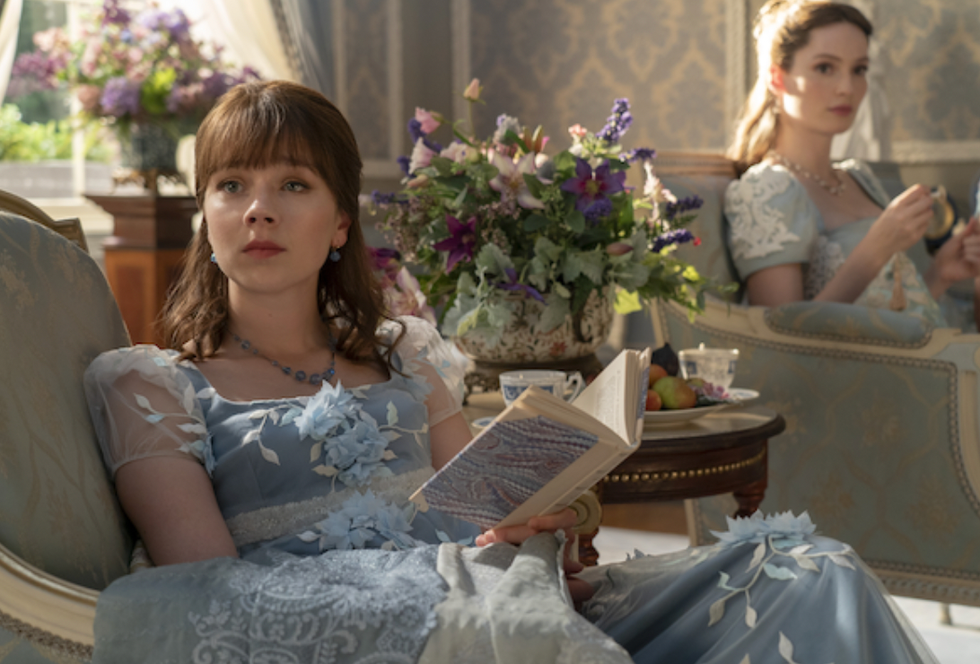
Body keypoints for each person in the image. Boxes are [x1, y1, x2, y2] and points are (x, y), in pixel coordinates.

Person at [84, 80, 939, 663]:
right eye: (230, 185)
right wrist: (472, 580)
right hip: (395, 639)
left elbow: (478, 516)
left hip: (505, 599)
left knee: (808, 566)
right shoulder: (153, 385)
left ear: (340, 222)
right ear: (205, 217)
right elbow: (211, 594)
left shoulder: (407, 351)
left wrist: (539, 537)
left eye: (292, 184)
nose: (259, 208)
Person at [725, 0, 980, 330]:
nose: (847, 87)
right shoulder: (766, 188)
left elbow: (885, 313)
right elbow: (781, 341)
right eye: (825, 68)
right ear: (778, 78)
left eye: (858, 69)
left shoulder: (859, 177)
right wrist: (876, 248)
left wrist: (939, 275)